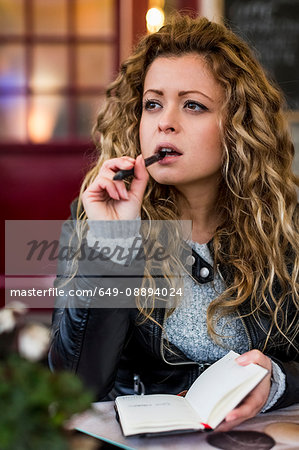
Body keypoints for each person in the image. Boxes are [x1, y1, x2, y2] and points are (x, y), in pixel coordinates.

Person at [49, 13, 299, 431]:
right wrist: (115, 243)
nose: (165, 121)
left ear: (237, 126)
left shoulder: (285, 222)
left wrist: (278, 382)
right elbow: (75, 384)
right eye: (153, 103)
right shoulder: (96, 216)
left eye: (193, 105)